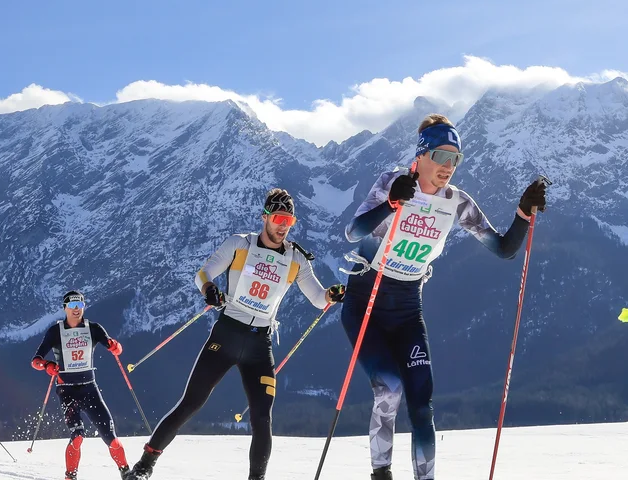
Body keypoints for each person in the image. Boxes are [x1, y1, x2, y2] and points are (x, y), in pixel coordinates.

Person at [342, 114, 548, 480]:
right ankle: (381, 473)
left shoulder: (457, 202)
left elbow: (503, 249)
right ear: (421, 156)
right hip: (366, 304)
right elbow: (354, 232)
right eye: (441, 156)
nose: (448, 167)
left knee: (423, 406)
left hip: (407, 310)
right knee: (388, 389)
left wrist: (522, 213)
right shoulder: (393, 183)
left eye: (456, 159)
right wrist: (390, 204)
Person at [130, 188, 346, 480]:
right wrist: (209, 290)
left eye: (289, 221)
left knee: (261, 417)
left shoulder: (297, 259)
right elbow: (203, 274)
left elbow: (318, 299)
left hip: (260, 344)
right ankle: (144, 466)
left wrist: (332, 295)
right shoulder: (240, 244)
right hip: (228, 333)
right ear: (265, 218)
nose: (283, 226)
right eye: (279, 218)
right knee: (191, 402)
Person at [31, 290, 134, 480]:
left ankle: (126, 473)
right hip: (67, 391)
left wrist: (114, 346)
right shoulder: (56, 331)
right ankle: (70, 476)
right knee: (77, 436)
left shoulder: (93, 328)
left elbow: (116, 347)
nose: (76, 309)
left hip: (90, 389)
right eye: (71, 306)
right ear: (65, 308)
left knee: (111, 437)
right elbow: (35, 360)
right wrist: (47, 365)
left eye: (79, 305)